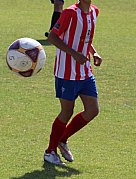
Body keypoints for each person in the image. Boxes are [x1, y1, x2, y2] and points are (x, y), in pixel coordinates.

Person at [44, 0, 102, 165]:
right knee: (67, 111)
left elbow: (84, 37)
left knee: (92, 110)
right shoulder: (70, 13)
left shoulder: (94, 12)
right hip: (66, 73)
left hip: (85, 71)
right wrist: (74, 54)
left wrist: (94, 52)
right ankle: (50, 152)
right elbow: (53, 37)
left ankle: (62, 140)